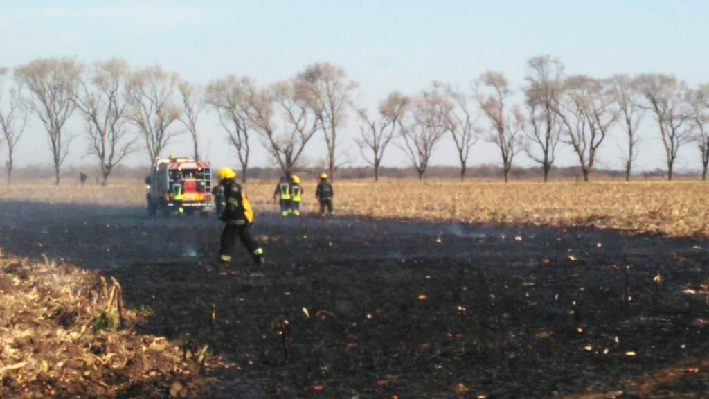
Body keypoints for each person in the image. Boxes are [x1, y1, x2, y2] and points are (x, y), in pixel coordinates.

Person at [216, 168, 264, 265]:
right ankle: (258, 256)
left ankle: (224, 260)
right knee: (246, 237)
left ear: (225, 178)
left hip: (235, 219)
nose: (220, 181)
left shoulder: (230, 188)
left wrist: (224, 216)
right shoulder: (236, 186)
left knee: (227, 238)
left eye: (221, 179)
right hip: (244, 217)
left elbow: (232, 206)